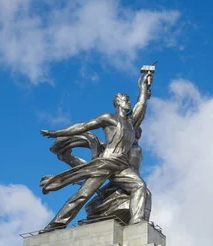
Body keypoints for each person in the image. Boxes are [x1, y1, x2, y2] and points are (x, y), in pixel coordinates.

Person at [40, 72, 152, 231]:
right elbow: (83, 126)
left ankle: (136, 224)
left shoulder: (131, 122)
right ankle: (54, 225)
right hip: (106, 162)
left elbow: (141, 105)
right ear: (118, 102)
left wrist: (143, 87)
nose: (129, 102)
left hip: (122, 166)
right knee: (83, 195)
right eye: (126, 100)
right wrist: (57, 133)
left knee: (139, 185)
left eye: (129, 100)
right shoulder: (109, 118)